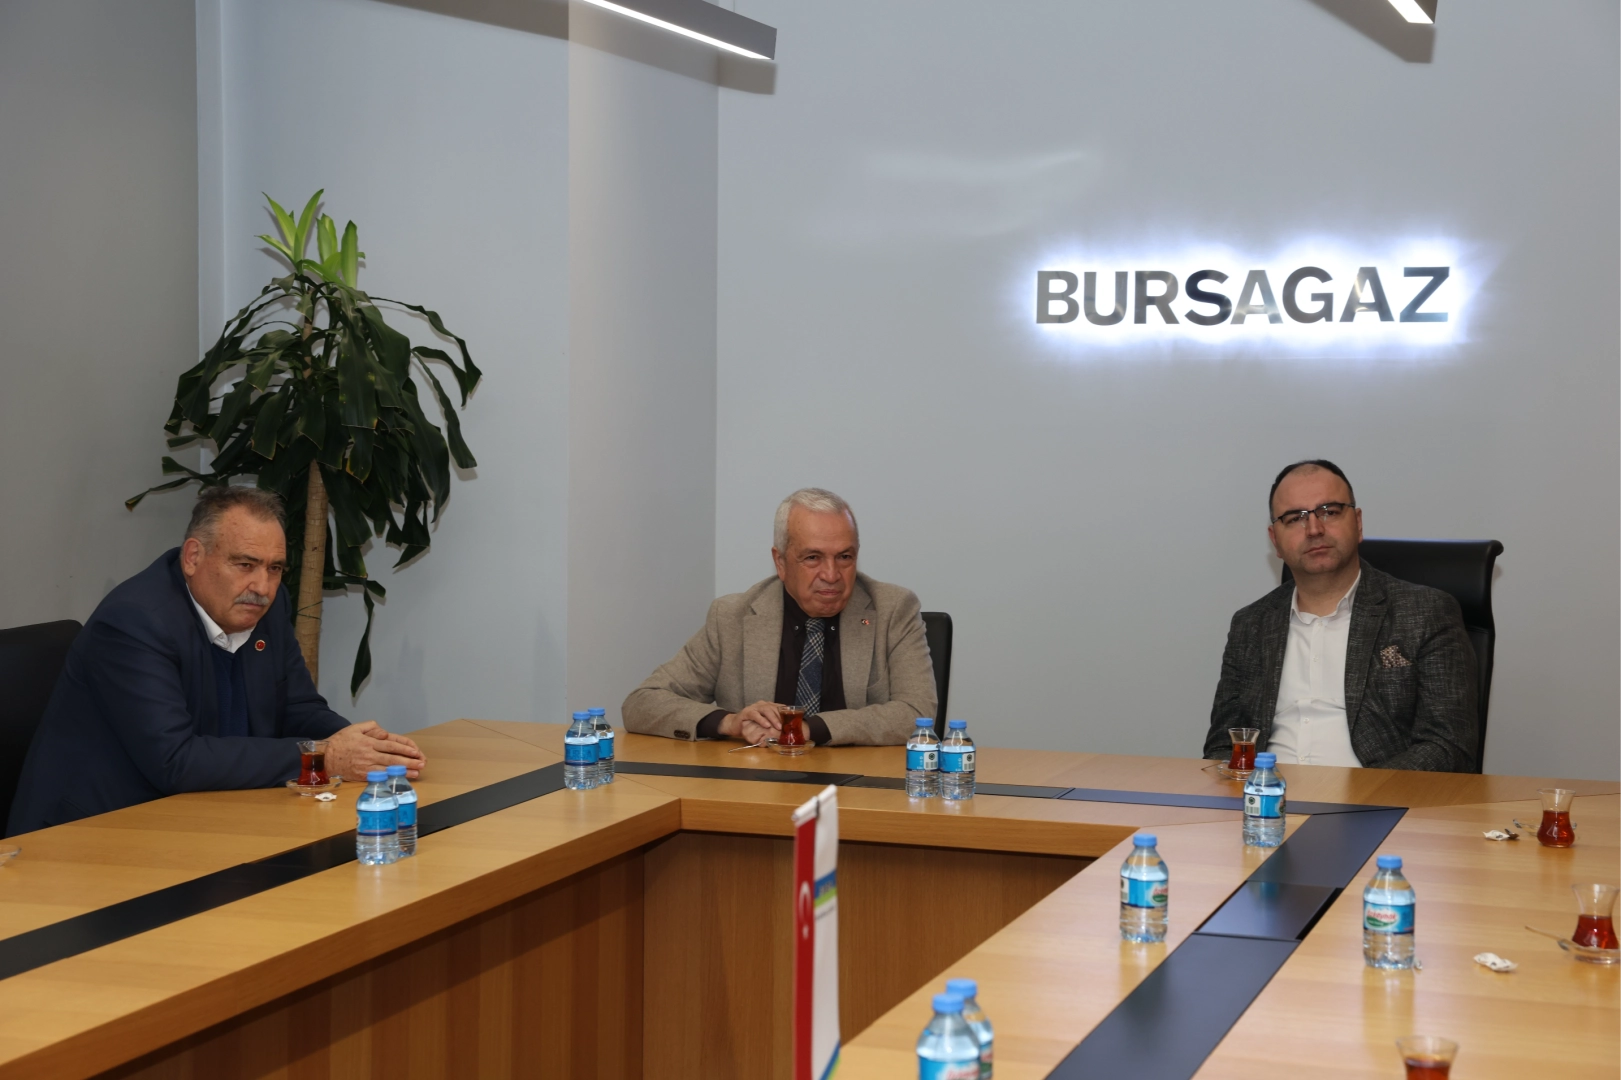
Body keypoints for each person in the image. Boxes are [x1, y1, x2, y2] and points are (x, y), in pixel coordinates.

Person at [7, 486, 425, 835]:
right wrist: (325, 757)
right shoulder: (134, 622)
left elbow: (297, 708)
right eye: (245, 564)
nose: (262, 586)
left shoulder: (263, 606)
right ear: (193, 557)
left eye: (275, 568)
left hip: (199, 822)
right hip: (93, 838)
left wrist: (363, 747)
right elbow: (176, 761)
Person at [1202, 460, 1478, 772]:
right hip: (1267, 796)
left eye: (1329, 512)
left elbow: (1448, 747)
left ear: (1358, 523)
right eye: (1295, 518)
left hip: (1377, 796)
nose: (1314, 529)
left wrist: (1357, 795)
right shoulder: (1250, 625)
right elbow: (1223, 745)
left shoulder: (1425, 613)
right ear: (1275, 540)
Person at [624, 488, 936, 746]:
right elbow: (642, 703)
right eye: (812, 558)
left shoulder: (893, 609)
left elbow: (916, 712)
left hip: (860, 786)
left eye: (844, 557)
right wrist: (730, 722)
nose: (831, 575)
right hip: (759, 785)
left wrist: (807, 728)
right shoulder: (732, 617)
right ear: (781, 562)